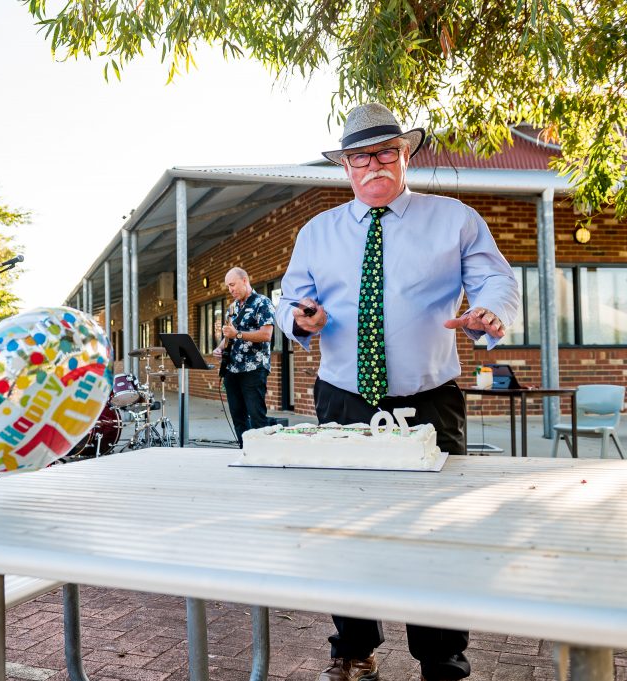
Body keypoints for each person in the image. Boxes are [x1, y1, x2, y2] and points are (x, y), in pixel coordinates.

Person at [275, 103, 521, 681]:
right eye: (361, 157)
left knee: (437, 529)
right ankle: (353, 648)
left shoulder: (452, 218)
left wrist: (489, 310)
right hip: (344, 398)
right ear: (347, 168)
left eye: (386, 152)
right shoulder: (318, 232)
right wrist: (299, 319)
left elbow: (495, 278)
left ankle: (442, 662)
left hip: (428, 399)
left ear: (405, 155)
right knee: (345, 523)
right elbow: (291, 299)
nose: (374, 164)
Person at [212, 267, 274, 446]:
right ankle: (245, 450)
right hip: (232, 369)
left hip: (253, 369)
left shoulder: (263, 302)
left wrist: (237, 334)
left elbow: (266, 335)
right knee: (238, 417)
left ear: (245, 280)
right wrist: (219, 348)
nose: (230, 289)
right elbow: (228, 337)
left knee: (256, 416)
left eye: (232, 285)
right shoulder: (232, 308)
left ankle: (263, 454)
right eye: (228, 286)